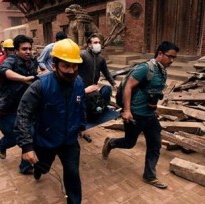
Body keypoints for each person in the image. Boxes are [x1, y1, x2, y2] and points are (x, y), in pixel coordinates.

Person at [14, 38, 86, 204]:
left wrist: (82, 124)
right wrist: (26, 146)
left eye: (74, 66)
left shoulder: (79, 82)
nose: (71, 71)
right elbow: (23, 115)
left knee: (73, 173)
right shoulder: (39, 86)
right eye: (66, 66)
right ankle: (38, 170)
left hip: (69, 141)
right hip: (46, 140)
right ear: (54, 66)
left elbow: (80, 104)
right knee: (43, 167)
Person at [102, 41, 179, 189]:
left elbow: (153, 92)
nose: (172, 60)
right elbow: (128, 87)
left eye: (174, 58)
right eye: (170, 57)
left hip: (149, 115)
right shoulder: (145, 68)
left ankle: (149, 176)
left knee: (155, 144)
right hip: (135, 114)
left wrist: (154, 108)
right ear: (160, 54)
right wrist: (126, 110)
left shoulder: (162, 70)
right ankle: (111, 143)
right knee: (130, 143)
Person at [0, 35, 38, 174]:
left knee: (29, 135)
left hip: (24, 109)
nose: (28, 52)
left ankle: (25, 167)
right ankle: (2, 145)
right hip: (6, 110)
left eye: (30, 49)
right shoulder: (11, 60)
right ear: (16, 50)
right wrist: (23, 79)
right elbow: (3, 71)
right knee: (13, 138)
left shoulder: (31, 62)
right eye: (24, 49)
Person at [78, 33, 118, 127]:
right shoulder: (83, 55)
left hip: (94, 89)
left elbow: (106, 73)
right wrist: (82, 89)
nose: (98, 44)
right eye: (95, 42)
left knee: (107, 90)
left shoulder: (101, 58)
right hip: (84, 90)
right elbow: (74, 72)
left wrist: (114, 84)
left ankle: (101, 110)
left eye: (99, 42)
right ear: (89, 44)